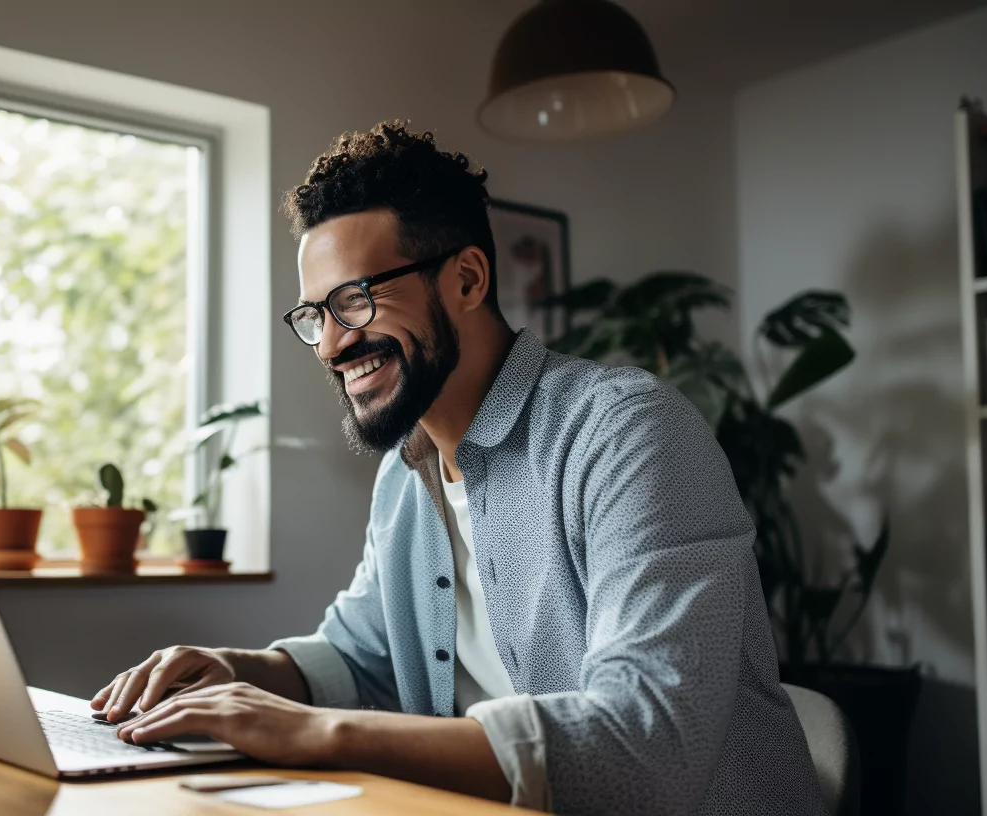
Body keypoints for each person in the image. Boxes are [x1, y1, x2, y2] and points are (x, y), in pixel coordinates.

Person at [92, 121, 824, 815]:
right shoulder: (404, 478)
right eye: (316, 315)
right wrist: (234, 672)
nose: (329, 346)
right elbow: (362, 657)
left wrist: (317, 734)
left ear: (467, 281)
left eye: (356, 299)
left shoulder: (629, 432)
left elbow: (647, 743)